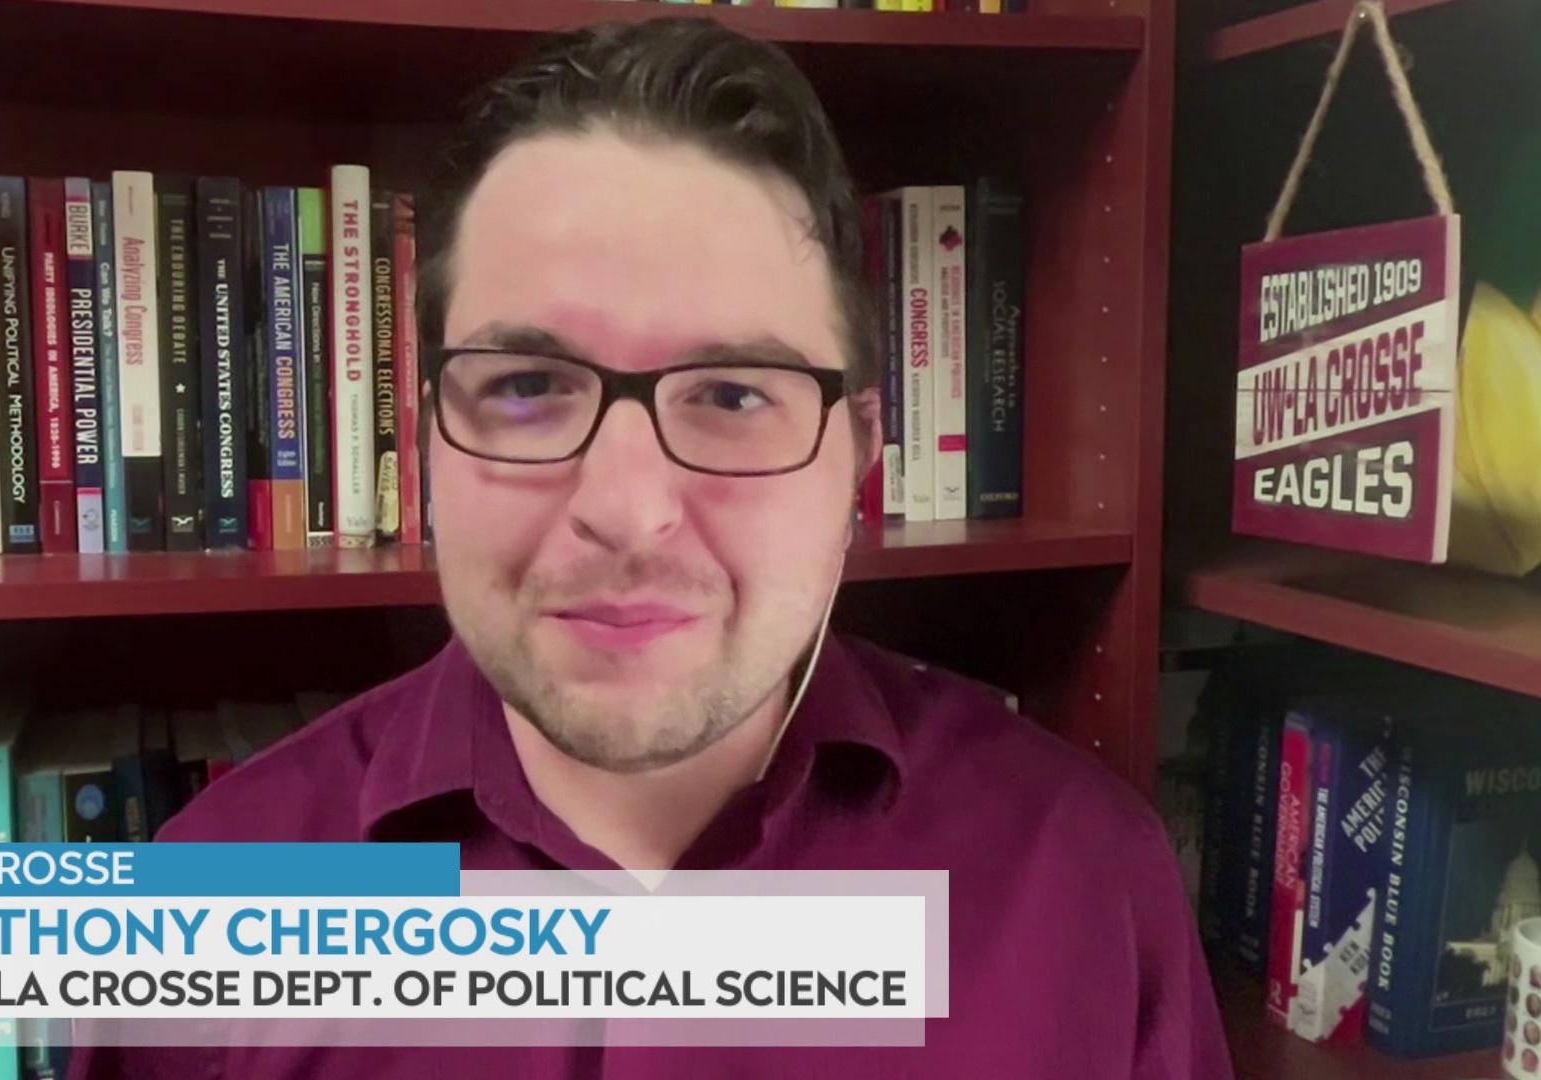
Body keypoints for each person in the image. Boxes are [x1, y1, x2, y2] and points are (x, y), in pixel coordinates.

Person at [72, 16, 1229, 1079]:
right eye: (526, 385)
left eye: (733, 394)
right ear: (424, 440)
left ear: (857, 459)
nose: (628, 510)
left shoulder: (1087, 886)